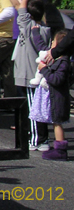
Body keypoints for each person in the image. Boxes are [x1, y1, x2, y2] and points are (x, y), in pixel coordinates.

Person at [5, 0, 51, 151]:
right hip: (33, 74)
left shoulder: (28, 26)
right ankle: (39, 138)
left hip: (30, 75)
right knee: (35, 107)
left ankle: (37, 140)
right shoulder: (43, 27)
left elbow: (21, 7)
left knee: (33, 110)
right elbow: (21, 6)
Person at [38, 30, 71, 160]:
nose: (51, 43)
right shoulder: (59, 60)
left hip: (58, 98)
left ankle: (60, 151)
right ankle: (58, 149)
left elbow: (56, 80)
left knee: (57, 123)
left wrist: (44, 70)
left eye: (53, 42)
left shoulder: (63, 62)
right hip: (56, 97)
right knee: (55, 122)